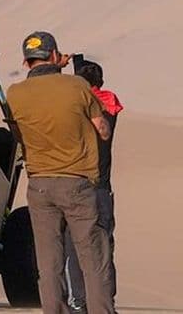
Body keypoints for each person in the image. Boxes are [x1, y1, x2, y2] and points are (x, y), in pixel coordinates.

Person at [6, 32, 115, 314]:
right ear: (55, 55)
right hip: (78, 182)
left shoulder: (15, 93)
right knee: (93, 255)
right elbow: (102, 128)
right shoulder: (77, 85)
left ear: (26, 61)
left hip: (39, 184)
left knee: (48, 259)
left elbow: (17, 134)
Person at [65, 60, 123, 312]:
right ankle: (105, 301)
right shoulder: (108, 101)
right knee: (104, 247)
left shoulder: (78, 104)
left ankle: (78, 302)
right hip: (101, 188)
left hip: (77, 185)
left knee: (73, 246)